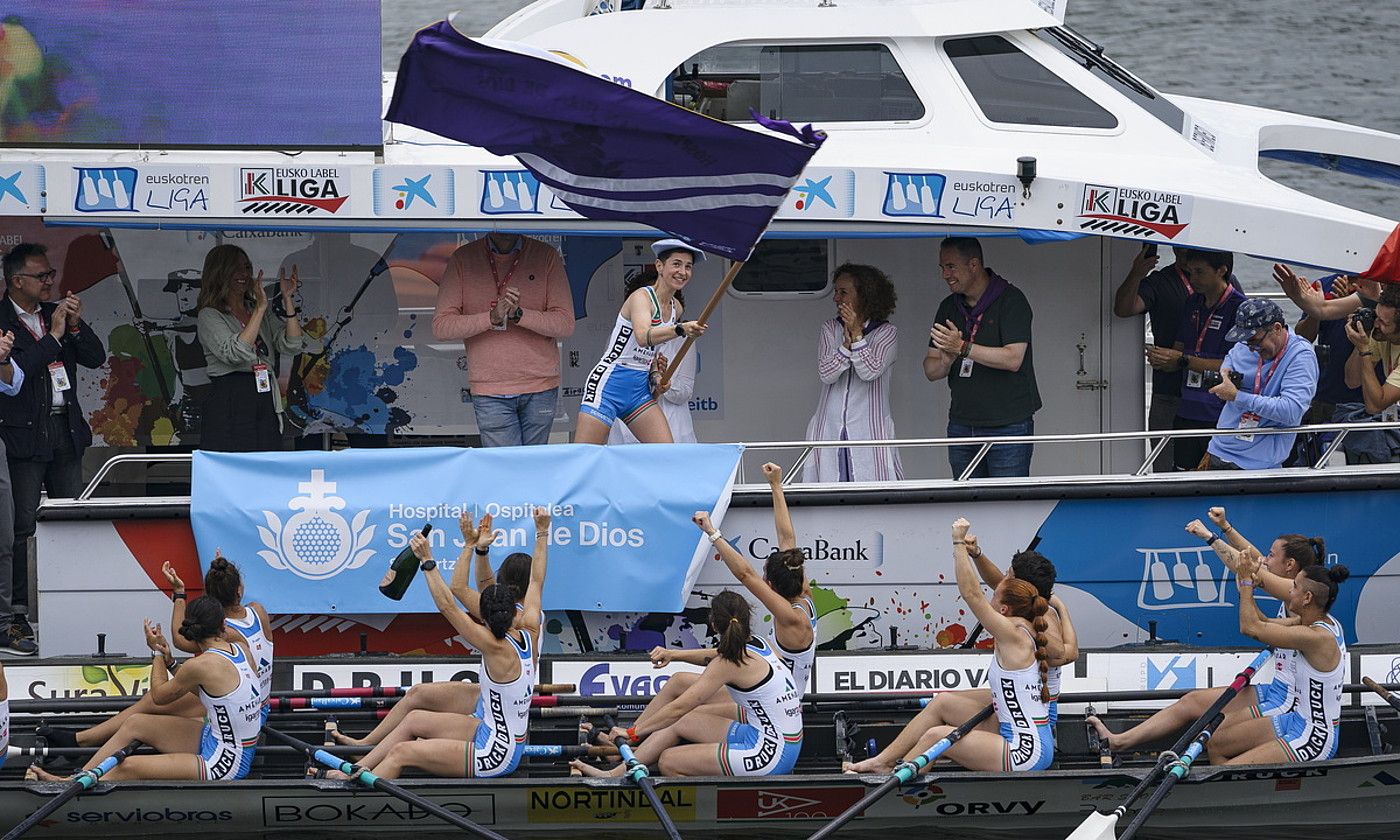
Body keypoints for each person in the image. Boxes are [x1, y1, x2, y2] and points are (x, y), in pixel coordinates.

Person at [328, 510, 546, 780]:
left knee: (401, 753)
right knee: (414, 719)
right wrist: (542, 531)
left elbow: (448, 605)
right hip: (491, 729)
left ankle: (351, 786)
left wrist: (428, 561)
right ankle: (362, 765)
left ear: (484, 616)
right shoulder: (530, 627)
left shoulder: (493, 646)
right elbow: (537, 580)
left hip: (495, 753)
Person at [1087, 509, 1326, 752]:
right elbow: (1253, 560)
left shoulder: (1296, 594)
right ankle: (1119, 741)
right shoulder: (1295, 590)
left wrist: (1209, 537)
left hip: (1288, 702)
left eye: (1271, 555)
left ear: (1290, 566)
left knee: (1215, 734)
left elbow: (1252, 569)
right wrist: (1226, 527)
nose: (1264, 558)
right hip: (1275, 691)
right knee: (1191, 702)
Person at [844, 528, 1075, 774]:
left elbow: (972, 594)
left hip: (1027, 750)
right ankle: (885, 763)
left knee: (935, 737)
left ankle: (895, 781)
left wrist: (957, 543)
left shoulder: (1018, 631)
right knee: (942, 702)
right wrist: (975, 554)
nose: (997, 584)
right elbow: (992, 586)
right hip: (1027, 734)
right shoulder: (1028, 620)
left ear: (1007, 607)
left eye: (1004, 582)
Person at [617, 462, 814, 735]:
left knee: (688, 711)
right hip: (760, 683)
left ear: (770, 584)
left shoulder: (791, 618)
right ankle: (626, 743)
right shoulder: (803, 590)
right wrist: (776, 486)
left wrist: (712, 533)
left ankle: (630, 742)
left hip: (774, 703)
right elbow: (787, 539)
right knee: (677, 683)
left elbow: (746, 575)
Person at [40, 554, 273, 747]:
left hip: (242, 712)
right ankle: (79, 739)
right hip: (256, 701)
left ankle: (79, 740)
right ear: (240, 590)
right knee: (154, 703)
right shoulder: (258, 611)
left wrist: (179, 593)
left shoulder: (226, 633)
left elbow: (180, 639)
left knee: (153, 702)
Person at [571, 589, 802, 778]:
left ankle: (707, 816)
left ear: (713, 625)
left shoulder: (727, 662)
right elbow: (714, 653)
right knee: (685, 721)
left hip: (771, 755)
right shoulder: (762, 644)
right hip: (779, 740)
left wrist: (632, 731)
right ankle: (622, 763)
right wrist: (674, 654)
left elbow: (680, 706)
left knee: (669, 761)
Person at [31, 598, 262, 782]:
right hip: (217, 739)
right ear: (223, 626)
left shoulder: (199, 665)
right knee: (136, 723)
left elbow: (159, 696)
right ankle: (75, 779)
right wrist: (172, 664)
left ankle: (68, 786)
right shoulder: (242, 649)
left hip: (224, 763)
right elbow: (217, 694)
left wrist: (158, 653)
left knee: (127, 767)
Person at [0, 242, 104, 647]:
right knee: (22, 526)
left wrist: (74, 327)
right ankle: (18, 614)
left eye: (51, 275)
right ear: (17, 280)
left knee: (72, 519)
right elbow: (14, 375)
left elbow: (96, 357)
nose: (50, 282)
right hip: (22, 435)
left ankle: (74, 601)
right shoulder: (5, 319)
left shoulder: (56, 313)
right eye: (42, 276)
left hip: (65, 430)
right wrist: (55, 338)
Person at [433, 233, 575, 447]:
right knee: (502, 469)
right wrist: (491, 318)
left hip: (540, 385)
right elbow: (441, 327)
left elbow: (565, 323)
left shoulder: (545, 255)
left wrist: (518, 314)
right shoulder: (463, 258)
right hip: (490, 388)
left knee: (534, 467)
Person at [1204, 557, 1350, 765]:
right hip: (1296, 720)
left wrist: (1247, 583)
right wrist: (1246, 591)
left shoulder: (1316, 638)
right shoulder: (1314, 623)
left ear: (1307, 597)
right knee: (1216, 743)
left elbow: (1250, 628)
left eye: (1295, 587)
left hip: (1314, 738)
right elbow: (1262, 622)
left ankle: (1234, 792)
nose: (1289, 591)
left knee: (1226, 770)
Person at [1115, 245, 1241, 471]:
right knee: (1172, 472)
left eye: (1199, 272)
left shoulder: (1236, 299)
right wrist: (1166, 359)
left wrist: (1181, 359)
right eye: (1191, 272)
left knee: (1219, 474)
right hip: (1179, 399)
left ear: (1220, 271)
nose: (1194, 278)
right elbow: (1124, 309)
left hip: (1219, 406)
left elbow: (1238, 364)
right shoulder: (1174, 290)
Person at [924, 237, 1040, 478]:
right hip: (962, 424)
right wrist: (945, 361)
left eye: (951, 266)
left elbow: (1013, 359)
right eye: (941, 268)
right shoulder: (949, 306)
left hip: (1009, 425)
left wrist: (963, 348)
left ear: (973, 265)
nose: (945, 274)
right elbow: (930, 370)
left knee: (1008, 506)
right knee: (967, 508)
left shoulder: (1011, 300)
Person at [577, 239, 707, 445]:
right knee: (584, 458)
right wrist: (681, 329)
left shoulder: (676, 308)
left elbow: (653, 352)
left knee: (665, 454)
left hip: (638, 391)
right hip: (609, 384)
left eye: (688, 266)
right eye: (676, 264)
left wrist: (656, 374)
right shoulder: (642, 297)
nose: (682, 271)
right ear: (659, 266)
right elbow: (643, 336)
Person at [195, 244, 319, 452]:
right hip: (231, 396)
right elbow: (234, 353)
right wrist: (260, 309)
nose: (243, 274)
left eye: (246, 267)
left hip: (263, 393)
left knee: (267, 457)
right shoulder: (210, 315)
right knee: (237, 462)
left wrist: (287, 299)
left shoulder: (256, 310)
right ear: (220, 272)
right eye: (235, 268)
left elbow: (292, 343)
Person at [803, 263, 902, 482]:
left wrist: (857, 336)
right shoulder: (830, 328)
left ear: (864, 296)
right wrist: (844, 348)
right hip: (829, 429)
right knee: (828, 490)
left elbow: (870, 371)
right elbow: (826, 373)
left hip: (869, 430)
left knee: (871, 492)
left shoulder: (886, 333)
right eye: (836, 291)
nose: (836, 298)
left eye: (843, 292)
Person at [1206, 299, 1318, 469]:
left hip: (1259, 464)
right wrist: (1226, 373)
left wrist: (1237, 396)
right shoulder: (1246, 344)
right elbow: (1231, 357)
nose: (1251, 348)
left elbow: (1291, 411)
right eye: (1247, 342)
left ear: (1277, 328)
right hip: (1219, 449)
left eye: (1256, 342)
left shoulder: (1301, 356)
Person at [608, 267, 698, 445]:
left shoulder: (684, 338)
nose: (655, 310)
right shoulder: (621, 335)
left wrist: (663, 382)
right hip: (626, 430)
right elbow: (613, 382)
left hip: (673, 427)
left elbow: (685, 391)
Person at [1292, 275, 1364, 465]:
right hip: (1326, 393)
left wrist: (1354, 310)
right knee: (1319, 458)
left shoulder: (1380, 291)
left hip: (1367, 399)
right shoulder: (1324, 285)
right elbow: (1302, 337)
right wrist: (1317, 310)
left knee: (1363, 459)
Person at [1341, 283, 1400, 441]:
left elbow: (1374, 406)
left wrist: (1364, 350)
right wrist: (1361, 339)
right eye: (1376, 316)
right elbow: (1352, 380)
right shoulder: (1381, 335)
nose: (1376, 324)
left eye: (1384, 323)